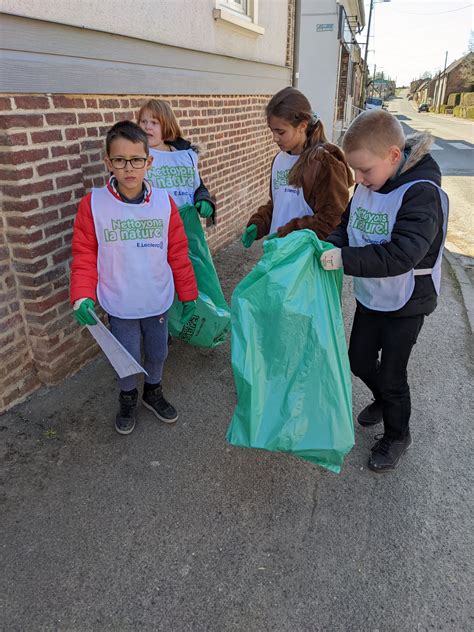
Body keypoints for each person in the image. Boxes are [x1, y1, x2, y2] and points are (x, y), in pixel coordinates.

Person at [320, 109, 448, 473]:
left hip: (407, 301)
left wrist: (343, 259)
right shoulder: (368, 183)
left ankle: (397, 433)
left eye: (364, 171)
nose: (358, 179)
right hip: (373, 294)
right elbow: (347, 225)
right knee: (359, 359)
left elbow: (403, 254)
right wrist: (331, 245)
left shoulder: (421, 193)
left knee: (393, 374)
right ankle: (382, 398)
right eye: (355, 172)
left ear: (394, 156)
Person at [70, 121, 198, 435]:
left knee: (157, 352)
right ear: (108, 162)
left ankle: (153, 391)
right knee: (124, 358)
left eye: (136, 159)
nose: (129, 167)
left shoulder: (163, 202)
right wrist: (82, 296)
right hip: (120, 299)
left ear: (148, 161)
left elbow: (178, 252)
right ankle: (128, 397)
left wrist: (189, 294)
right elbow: (85, 253)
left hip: (156, 297)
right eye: (120, 160)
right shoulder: (94, 204)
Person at [241, 86, 353, 248]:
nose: (274, 138)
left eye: (281, 132)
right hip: (278, 254)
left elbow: (333, 219)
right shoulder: (279, 159)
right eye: (272, 131)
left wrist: (289, 232)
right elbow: (280, 204)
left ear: (302, 126)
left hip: (305, 262)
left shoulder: (324, 162)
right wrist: (260, 222)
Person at [137, 98, 215, 219]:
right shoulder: (134, 156)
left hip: (186, 222)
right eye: (143, 121)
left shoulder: (183, 155)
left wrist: (204, 199)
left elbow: (196, 185)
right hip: (153, 223)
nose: (147, 127)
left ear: (167, 127)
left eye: (154, 122)